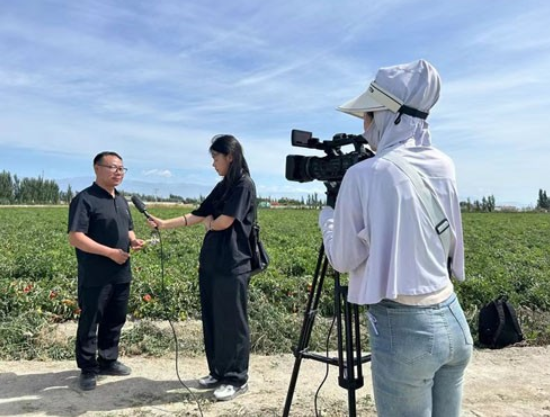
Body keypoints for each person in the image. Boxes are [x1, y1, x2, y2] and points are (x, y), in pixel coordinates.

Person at [318, 59, 473, 416]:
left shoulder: (364, 175)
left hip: (404, 329)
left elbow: (342, 259)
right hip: (452, 317)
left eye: (368, 114)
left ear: (390, 115)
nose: (365, 124)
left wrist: (328, 219)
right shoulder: (443, 164)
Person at [147, 134, 256, 402]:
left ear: (229, 156)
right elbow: (199, 213)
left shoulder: (244, 184)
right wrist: (164, 223)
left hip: (233, 263)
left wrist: (210, 222)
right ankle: (218, 371)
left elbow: (223, 222)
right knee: (213, 317)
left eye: (215, 158)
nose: (213, 164)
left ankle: (236, 377)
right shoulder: (223, 186)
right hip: (212, 262)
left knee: (232, 321)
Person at [68, 151, 144, 391]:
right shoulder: (85, 199)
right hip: (95, 273)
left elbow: (128, 229)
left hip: (121, 272)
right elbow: (76, 237)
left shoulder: (121, 200)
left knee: (115, 319)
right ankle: (88, 368)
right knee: (91, 321)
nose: (118, 172)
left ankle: (108, 360)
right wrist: (109, 252)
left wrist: (133, 240)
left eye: (122, 168)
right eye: (113, 167)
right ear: (97, 169)